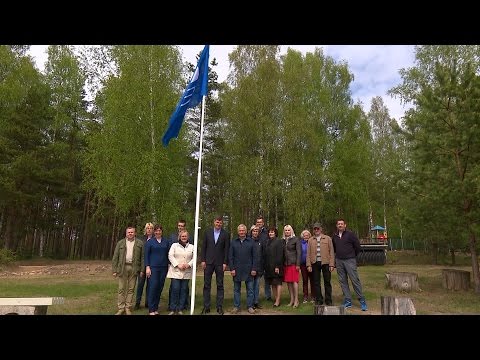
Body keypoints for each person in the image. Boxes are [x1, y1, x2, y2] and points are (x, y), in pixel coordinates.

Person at [332, 219, 367, 311]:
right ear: (336, 226)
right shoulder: (335, 236)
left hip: (350, 260)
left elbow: (358, 247)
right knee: (343, 281)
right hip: (339, 261)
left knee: (355, 280)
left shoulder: (350, 234)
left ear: (345, 225)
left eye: (341, 224)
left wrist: (351, 255)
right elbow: (335, 248)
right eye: (338, 224)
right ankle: (348, 300)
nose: (340, 225)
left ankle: (362, 300)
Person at [200, 215, 230, 315]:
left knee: (220, 285)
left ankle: (219, 306)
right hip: (208, 262)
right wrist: (203, 260)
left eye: (220, 223)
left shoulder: (225, 234)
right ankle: (206, 306)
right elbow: (203, 247)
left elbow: (226, 250)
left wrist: (225, 262)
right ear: (214, 222)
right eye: (217, 222)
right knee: (206, 285)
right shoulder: (207, 232)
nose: (218, 224)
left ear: (222, 223)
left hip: (220, 263)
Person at [112, 226, 144, 315]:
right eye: (128, 232)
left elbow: (142, 258)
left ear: (135, 233)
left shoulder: (140, 243)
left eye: (132, 232)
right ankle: (121, 308)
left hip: (134, 268)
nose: (130, 233)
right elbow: (115, 257)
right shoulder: (120, 243)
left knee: (131, 289)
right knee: (121, 288)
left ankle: (127, 307)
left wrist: (142, 270)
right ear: (126, 233)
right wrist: (114, 270)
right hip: (122, 268)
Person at [229, 224, 258, 314]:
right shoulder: (233, 242)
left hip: (249, 269)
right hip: (236, 269)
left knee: (250, 290)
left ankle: (250, 306)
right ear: (238, 232)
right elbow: (230, 257)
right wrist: (232, 268)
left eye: (243, 230)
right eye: (240, 230)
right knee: (236, 290)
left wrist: (254, 269)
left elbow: (255, 256)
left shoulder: (251, 242)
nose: (241, 232)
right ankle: (236, 306)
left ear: (246, 231)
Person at [145, 224, 171, 315]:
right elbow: (146, 255)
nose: (158, 232)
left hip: (163, 267)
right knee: (153, 287)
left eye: (159, 230)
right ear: (154, 232)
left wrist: (168, 265)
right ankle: (151, 309)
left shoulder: (166, 241)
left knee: (160, 287)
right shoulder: (150, 242)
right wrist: (147, 267)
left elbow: (168, 254)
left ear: (162, 231)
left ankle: (156, 308)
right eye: (156, 231)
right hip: (153, 268)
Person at [306, 223, 335, 305]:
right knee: (316, 282)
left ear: (321, 229)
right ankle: (319, 299)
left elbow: (332, 252)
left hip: (326, 262)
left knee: (327, 282)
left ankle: (328, 300)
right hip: (314, 262)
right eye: (315, 229)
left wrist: (332, 264)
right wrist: (308, 265)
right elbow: (308, 253)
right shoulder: (310, 240)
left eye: (317, 229)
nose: (316, 230)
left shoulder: (328, 238)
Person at [166, 230, 194, 315]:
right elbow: (170, 255)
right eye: (182, 236)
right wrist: (178, 265)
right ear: (179, 237)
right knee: (175, 289)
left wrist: (189, 265)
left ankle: (180, 308)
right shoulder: (174, 245)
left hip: (186, 271)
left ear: (187, 237)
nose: (184, 238)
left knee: (184, 290)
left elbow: (194, 257)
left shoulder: (192, 247)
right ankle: (173, 308)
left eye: (185, 236)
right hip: (176, 271)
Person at [134, 222, 154, 310]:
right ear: (145, 230)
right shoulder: (141, 239)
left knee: (150, 286)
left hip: (152, 266)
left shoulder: (155, 239)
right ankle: (137, 302)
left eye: (151, 228)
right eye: (147, 228)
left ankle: (148, 302)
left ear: (153, 230)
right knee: (140, 285)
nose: (149, 230)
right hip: (142, 266)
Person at [263, 227, 284, 307]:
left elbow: (280, 255)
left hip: (276, 266)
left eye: (272, 232)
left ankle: (278, 301)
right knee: (272, 283)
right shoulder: (267, 242)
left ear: (275, 233)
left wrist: (277, 266)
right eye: (269, 232)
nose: (270, 233)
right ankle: (276, 299)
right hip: (269, 267)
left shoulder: (279, 241)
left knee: (278, 283)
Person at [282, 225, 301, 308]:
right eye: (285, 230)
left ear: (291, 231)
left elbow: (299, 252)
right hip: (286, 264)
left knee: (294, 282)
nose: (287, 232)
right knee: (288, 282)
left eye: (288, 230)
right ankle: (292, 300)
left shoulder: (296, 239)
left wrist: (298, 264)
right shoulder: (283, 240)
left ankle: (296, 300)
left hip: (294, 263)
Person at [255, 216, 271, 301]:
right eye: (257, 222)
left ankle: (268, 296)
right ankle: (256, 297)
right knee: (257, 280)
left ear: (263, 223)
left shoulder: (266, 232)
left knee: (267, 279)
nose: (259, 224)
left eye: (260, 222)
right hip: (258, 259)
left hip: (266, 258)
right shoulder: (254, 231)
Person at [250, 225, 264, 309]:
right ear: (251, 232)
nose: (255, 232)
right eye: (253, 231)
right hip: (250, 268)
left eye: (256, 231)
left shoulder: (261, 241)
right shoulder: (248, 241)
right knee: (250, 286)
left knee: (257, 286)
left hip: (259, 268)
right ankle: (250, 303)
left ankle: (256, 302)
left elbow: (262, 255)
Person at [299, 229, 315, 303]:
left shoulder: (312, 242)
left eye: (307, 235)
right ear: (302, 236)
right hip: (303, 264)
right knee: (305, 280)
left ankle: (313, 296)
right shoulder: (300, 243)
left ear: (309, 236)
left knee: (312, 280)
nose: (306, 236)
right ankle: (305, 296)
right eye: (304, 235)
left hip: (312, 264)